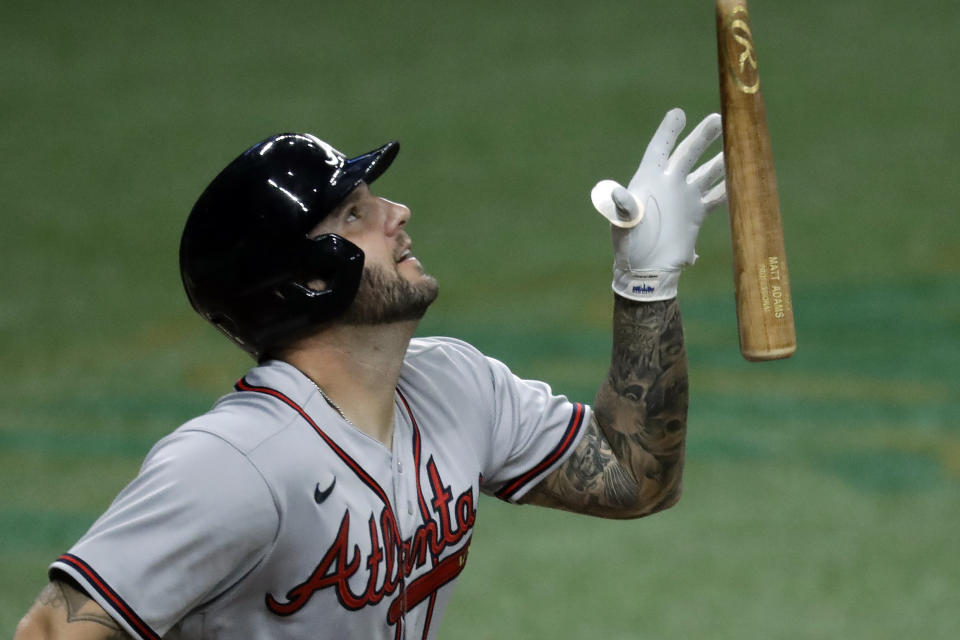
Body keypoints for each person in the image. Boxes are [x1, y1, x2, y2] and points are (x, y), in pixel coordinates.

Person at [15, 107, 725, 640]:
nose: (396, 212)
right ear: (306, 281)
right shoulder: (234, 465)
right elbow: (49, 631)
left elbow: (634, 478)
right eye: (354, 215)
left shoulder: (456, 387)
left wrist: (646, 284)